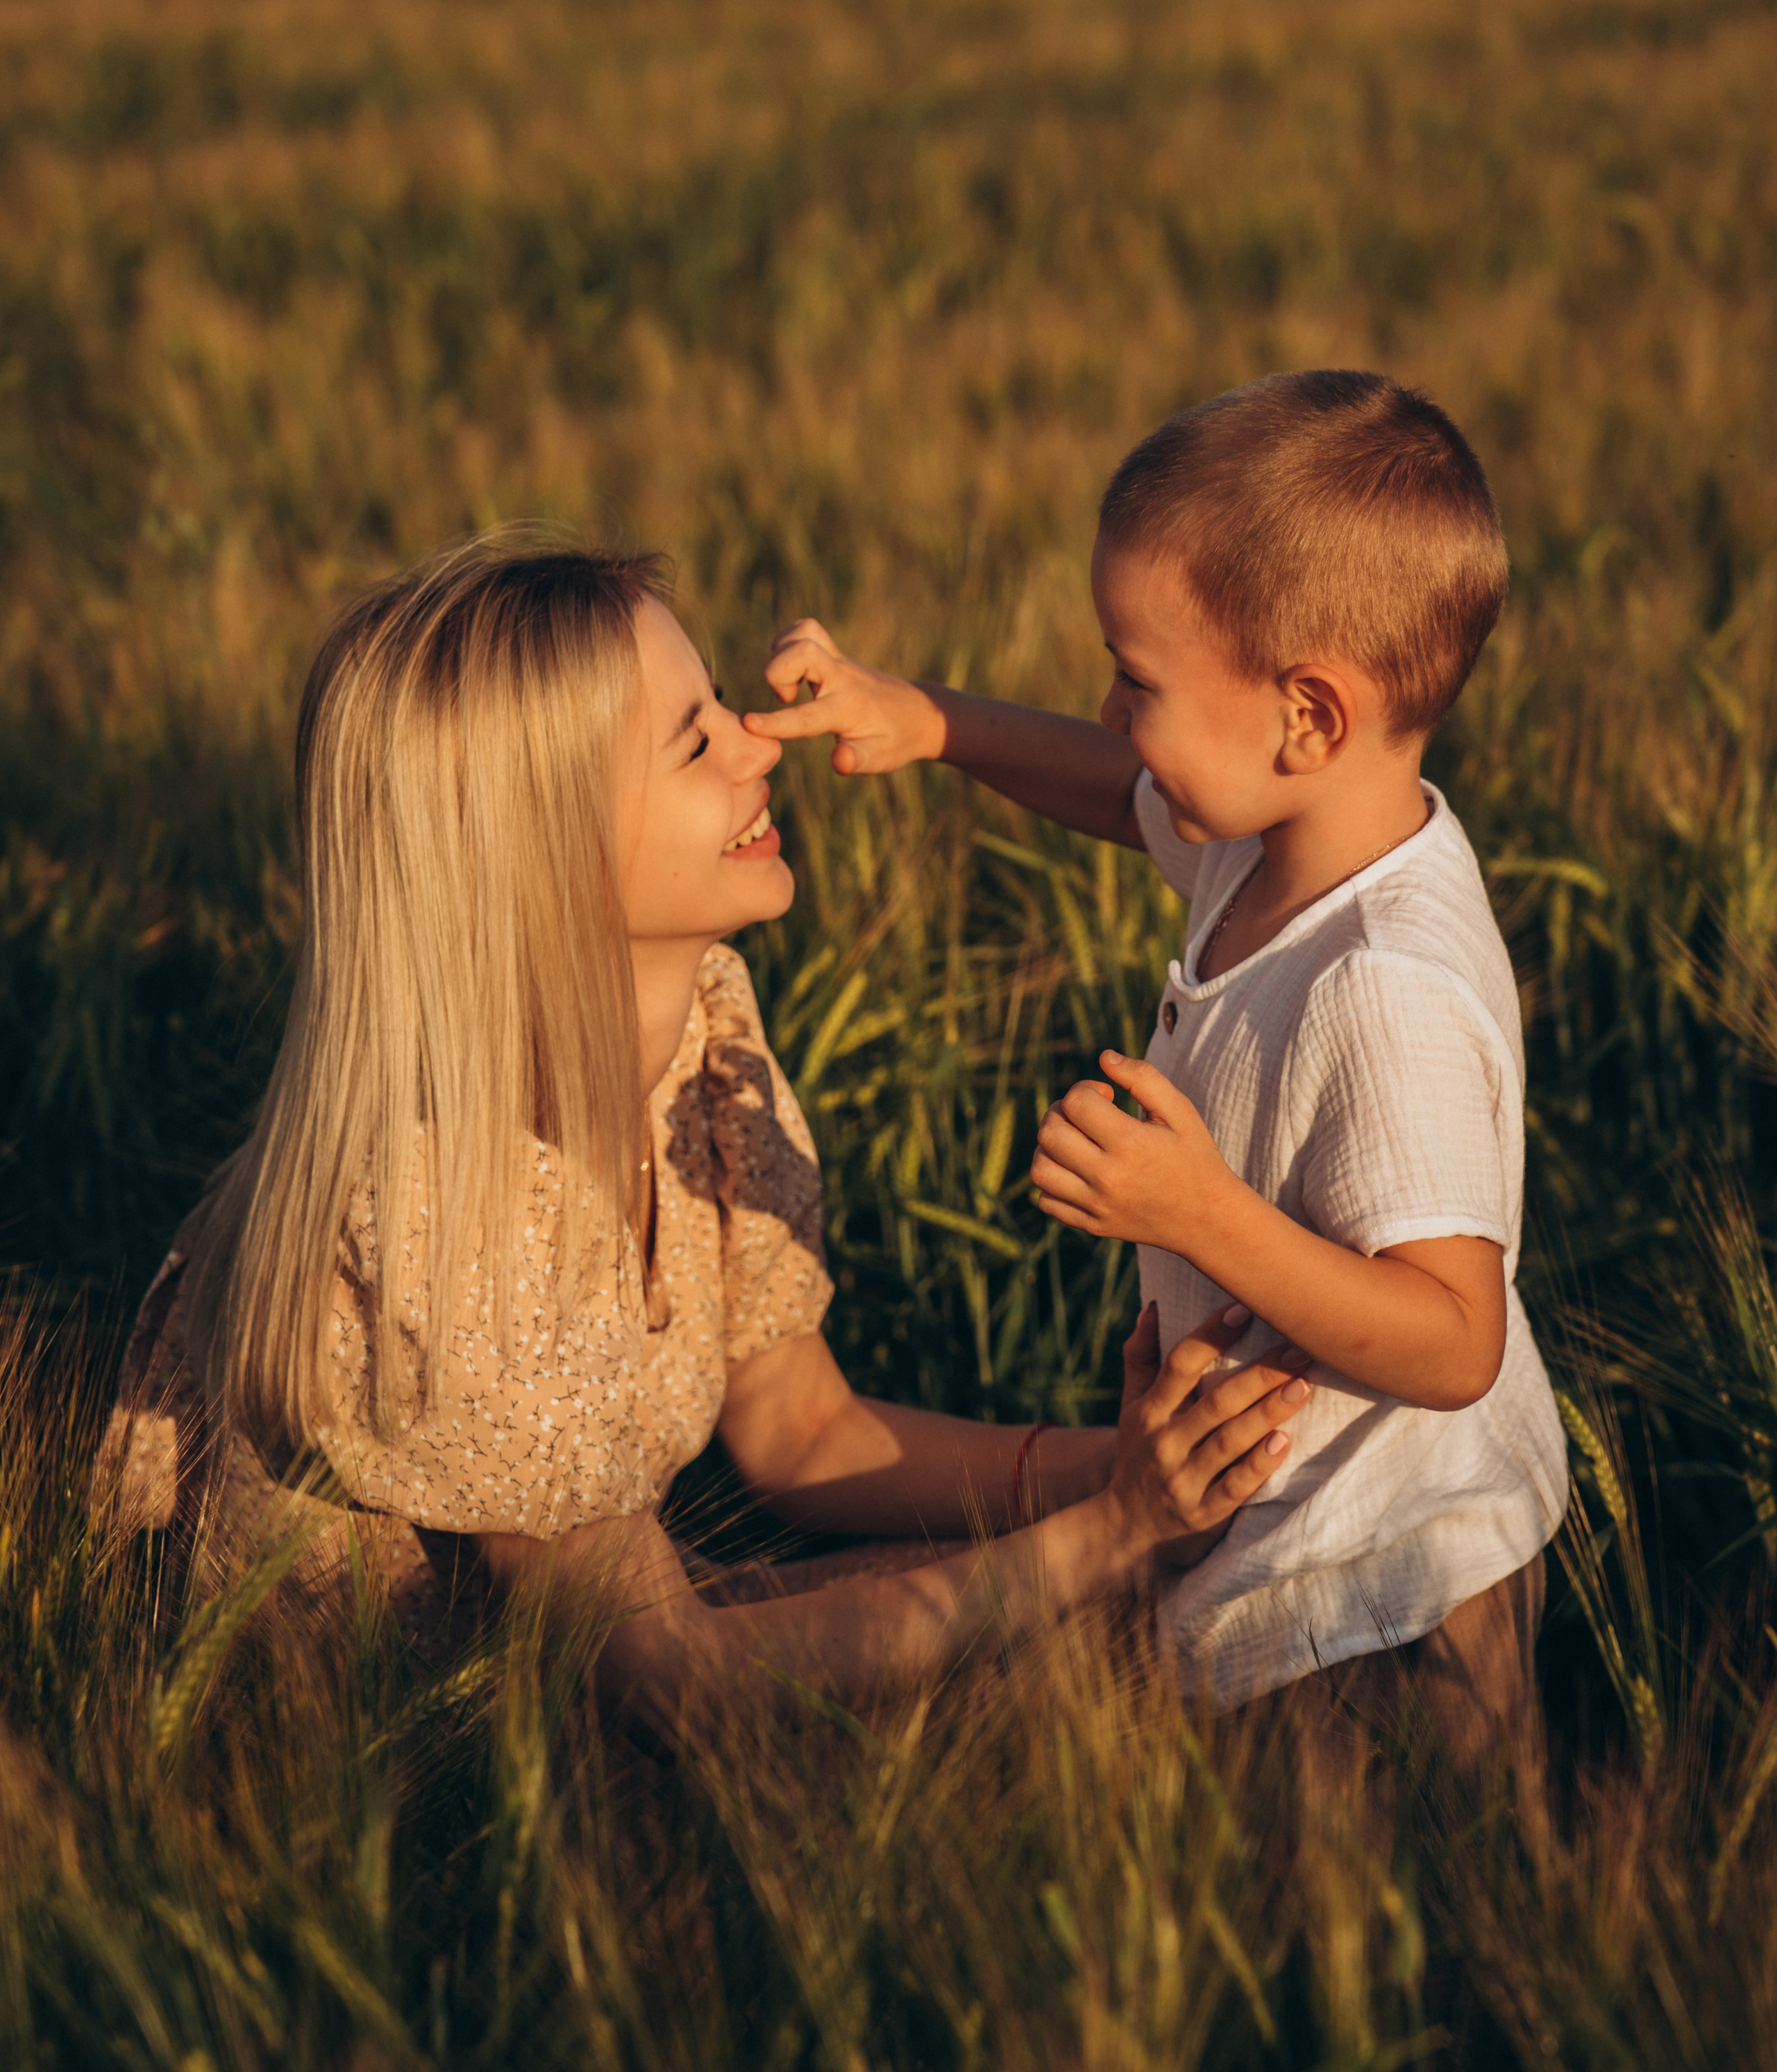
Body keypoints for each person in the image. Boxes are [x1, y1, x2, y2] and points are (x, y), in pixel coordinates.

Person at [95, 534, 1314, 1733]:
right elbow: (660, 1678)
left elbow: (802, 1433)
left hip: (602, 1672)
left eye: (723, 703)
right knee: (1136, 1654)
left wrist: (1125, 1469)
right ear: (540, 850)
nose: (758, 745)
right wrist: (1115, 1530)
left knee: (1197, 1618)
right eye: (695, 743)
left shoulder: (701, 1035)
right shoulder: (451, 1206)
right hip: (440, 1768)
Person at [748, 370, 1568, 1765]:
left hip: (1388, 1590)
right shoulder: (1281, 833)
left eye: (1139, 680)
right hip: (1287, 1528)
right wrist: (929, 720)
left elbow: (1453, 1341)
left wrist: (1198, 1215)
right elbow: (1118, 786)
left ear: (1307, 717)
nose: (1112, 708)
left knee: (1415, 1883)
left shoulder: (1385, 983)